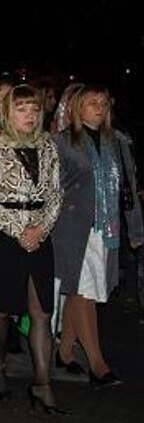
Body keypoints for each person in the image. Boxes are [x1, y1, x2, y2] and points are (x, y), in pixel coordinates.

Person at [0, 85, 64, 410]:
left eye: (34, 109)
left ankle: (43, 382)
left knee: (41, 311)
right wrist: (19, 230)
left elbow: (55, 193)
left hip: (39, 236)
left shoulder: (48, 146)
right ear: (8, 113)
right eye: (22, 109)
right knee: (0, 308)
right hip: (5, 236)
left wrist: (40, 228)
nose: (30, 115)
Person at [52, 85, 144, 387]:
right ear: (78, 107)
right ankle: (97, 363)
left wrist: (136, 229)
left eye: (104, 103)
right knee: (83, 291)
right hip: (72, 229)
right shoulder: (62, 142)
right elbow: (53, 189)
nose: (99, 108)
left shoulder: (117, 141)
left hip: (106, 231)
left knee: (87, 288)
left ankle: (65, 351)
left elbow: (128, 189)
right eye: (92, 103)